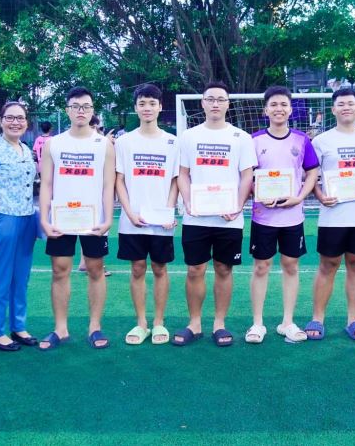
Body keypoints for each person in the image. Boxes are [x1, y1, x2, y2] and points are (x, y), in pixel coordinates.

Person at [174, 81, 257, 347]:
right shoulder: (189, 137)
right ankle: (194, 323)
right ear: (202, 103)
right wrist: (188, 202)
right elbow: (182, 174)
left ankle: (219, 324)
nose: (215, 104)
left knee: (224, 268)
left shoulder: (241, 138)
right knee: (194, 269)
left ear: (228, 104)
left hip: (229, 219)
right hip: (196, 217)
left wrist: (238, 205)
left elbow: (247, 176)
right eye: (210, 99)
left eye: (221, 99)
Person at [305, 87, 355, 341]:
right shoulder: (321, 141)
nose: (346, 108)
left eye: (350, 103)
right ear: (333, 109)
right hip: (333, 216)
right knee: (327, 265)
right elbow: (310, 175)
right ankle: (317, 318)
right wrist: (320, 195)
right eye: (341, 104)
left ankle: (353, 319)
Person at [39, 87, 115, 350]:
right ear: (67, 110)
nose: (81, 111)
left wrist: (108, 219)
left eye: (86, 106)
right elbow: (46, 184)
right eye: (75, 106)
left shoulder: (103, 144)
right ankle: (60, 329)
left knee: (95, 270)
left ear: (92, 110)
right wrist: (44, 219)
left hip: (93, 220)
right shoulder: (53, 143)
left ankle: (95, 327)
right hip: (61, 220)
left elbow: (108, 185)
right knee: (60, 270)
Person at [246, 86, 319, 344]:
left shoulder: (302, 140)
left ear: (290, 109)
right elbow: (246, 176)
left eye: (283, 104)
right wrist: (256, 192)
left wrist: (300, 196)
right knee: (261, 266)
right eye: (274, 104)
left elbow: (312, 171)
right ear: (265, 110)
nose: (279, 109)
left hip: (292, 217)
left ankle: (287, 322)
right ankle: (257, 323)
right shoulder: (254, 141)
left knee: (291, 265)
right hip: (263, 217)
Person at [114, 84, 179, 346]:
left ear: (160, 107)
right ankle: (141, 322)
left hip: (161, 221)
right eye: (142, 103)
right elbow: (119, 180)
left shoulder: (172, 141)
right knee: (137, 268)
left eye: (152, 103)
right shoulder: (124, 141)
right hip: (133, 220)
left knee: (160, 268)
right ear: (136, 108)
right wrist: (129, 212)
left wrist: (169, 212)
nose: (147, 108)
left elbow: (175, 180)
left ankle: (159, 322)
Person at [0, 100, 40, 352]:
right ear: (0, 121)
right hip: (2, 218)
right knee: (1, 278)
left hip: (27, 219)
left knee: (21, 277)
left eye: (20, 118)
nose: (15, 122)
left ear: (26, 122)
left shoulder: (26, 150)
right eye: (10, 117)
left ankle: (18, 326)